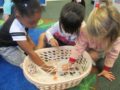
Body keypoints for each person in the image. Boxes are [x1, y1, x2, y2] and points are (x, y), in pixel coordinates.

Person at [65, 1, 120, 81]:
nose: (92, 36)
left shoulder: (115, 39)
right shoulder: (85, 30)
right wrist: (71, 62)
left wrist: (106, 69)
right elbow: (79, 46)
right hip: (87, 47)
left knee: (100, 64)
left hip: (101, 50)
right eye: (90, 33)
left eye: (95, 35)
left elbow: (112, 54)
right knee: (79, 57)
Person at [0, 0, 54, 72]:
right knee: (27, 64)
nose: (35, 25)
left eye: (37, 21)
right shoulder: (16, 28)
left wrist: (34, 49)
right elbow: (30, 53)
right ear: (18, 16)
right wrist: (46, 68)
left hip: (15, 40)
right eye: (32, 23)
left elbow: (26, 36)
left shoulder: (23, 16)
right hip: (6, 48)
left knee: (34, 53)